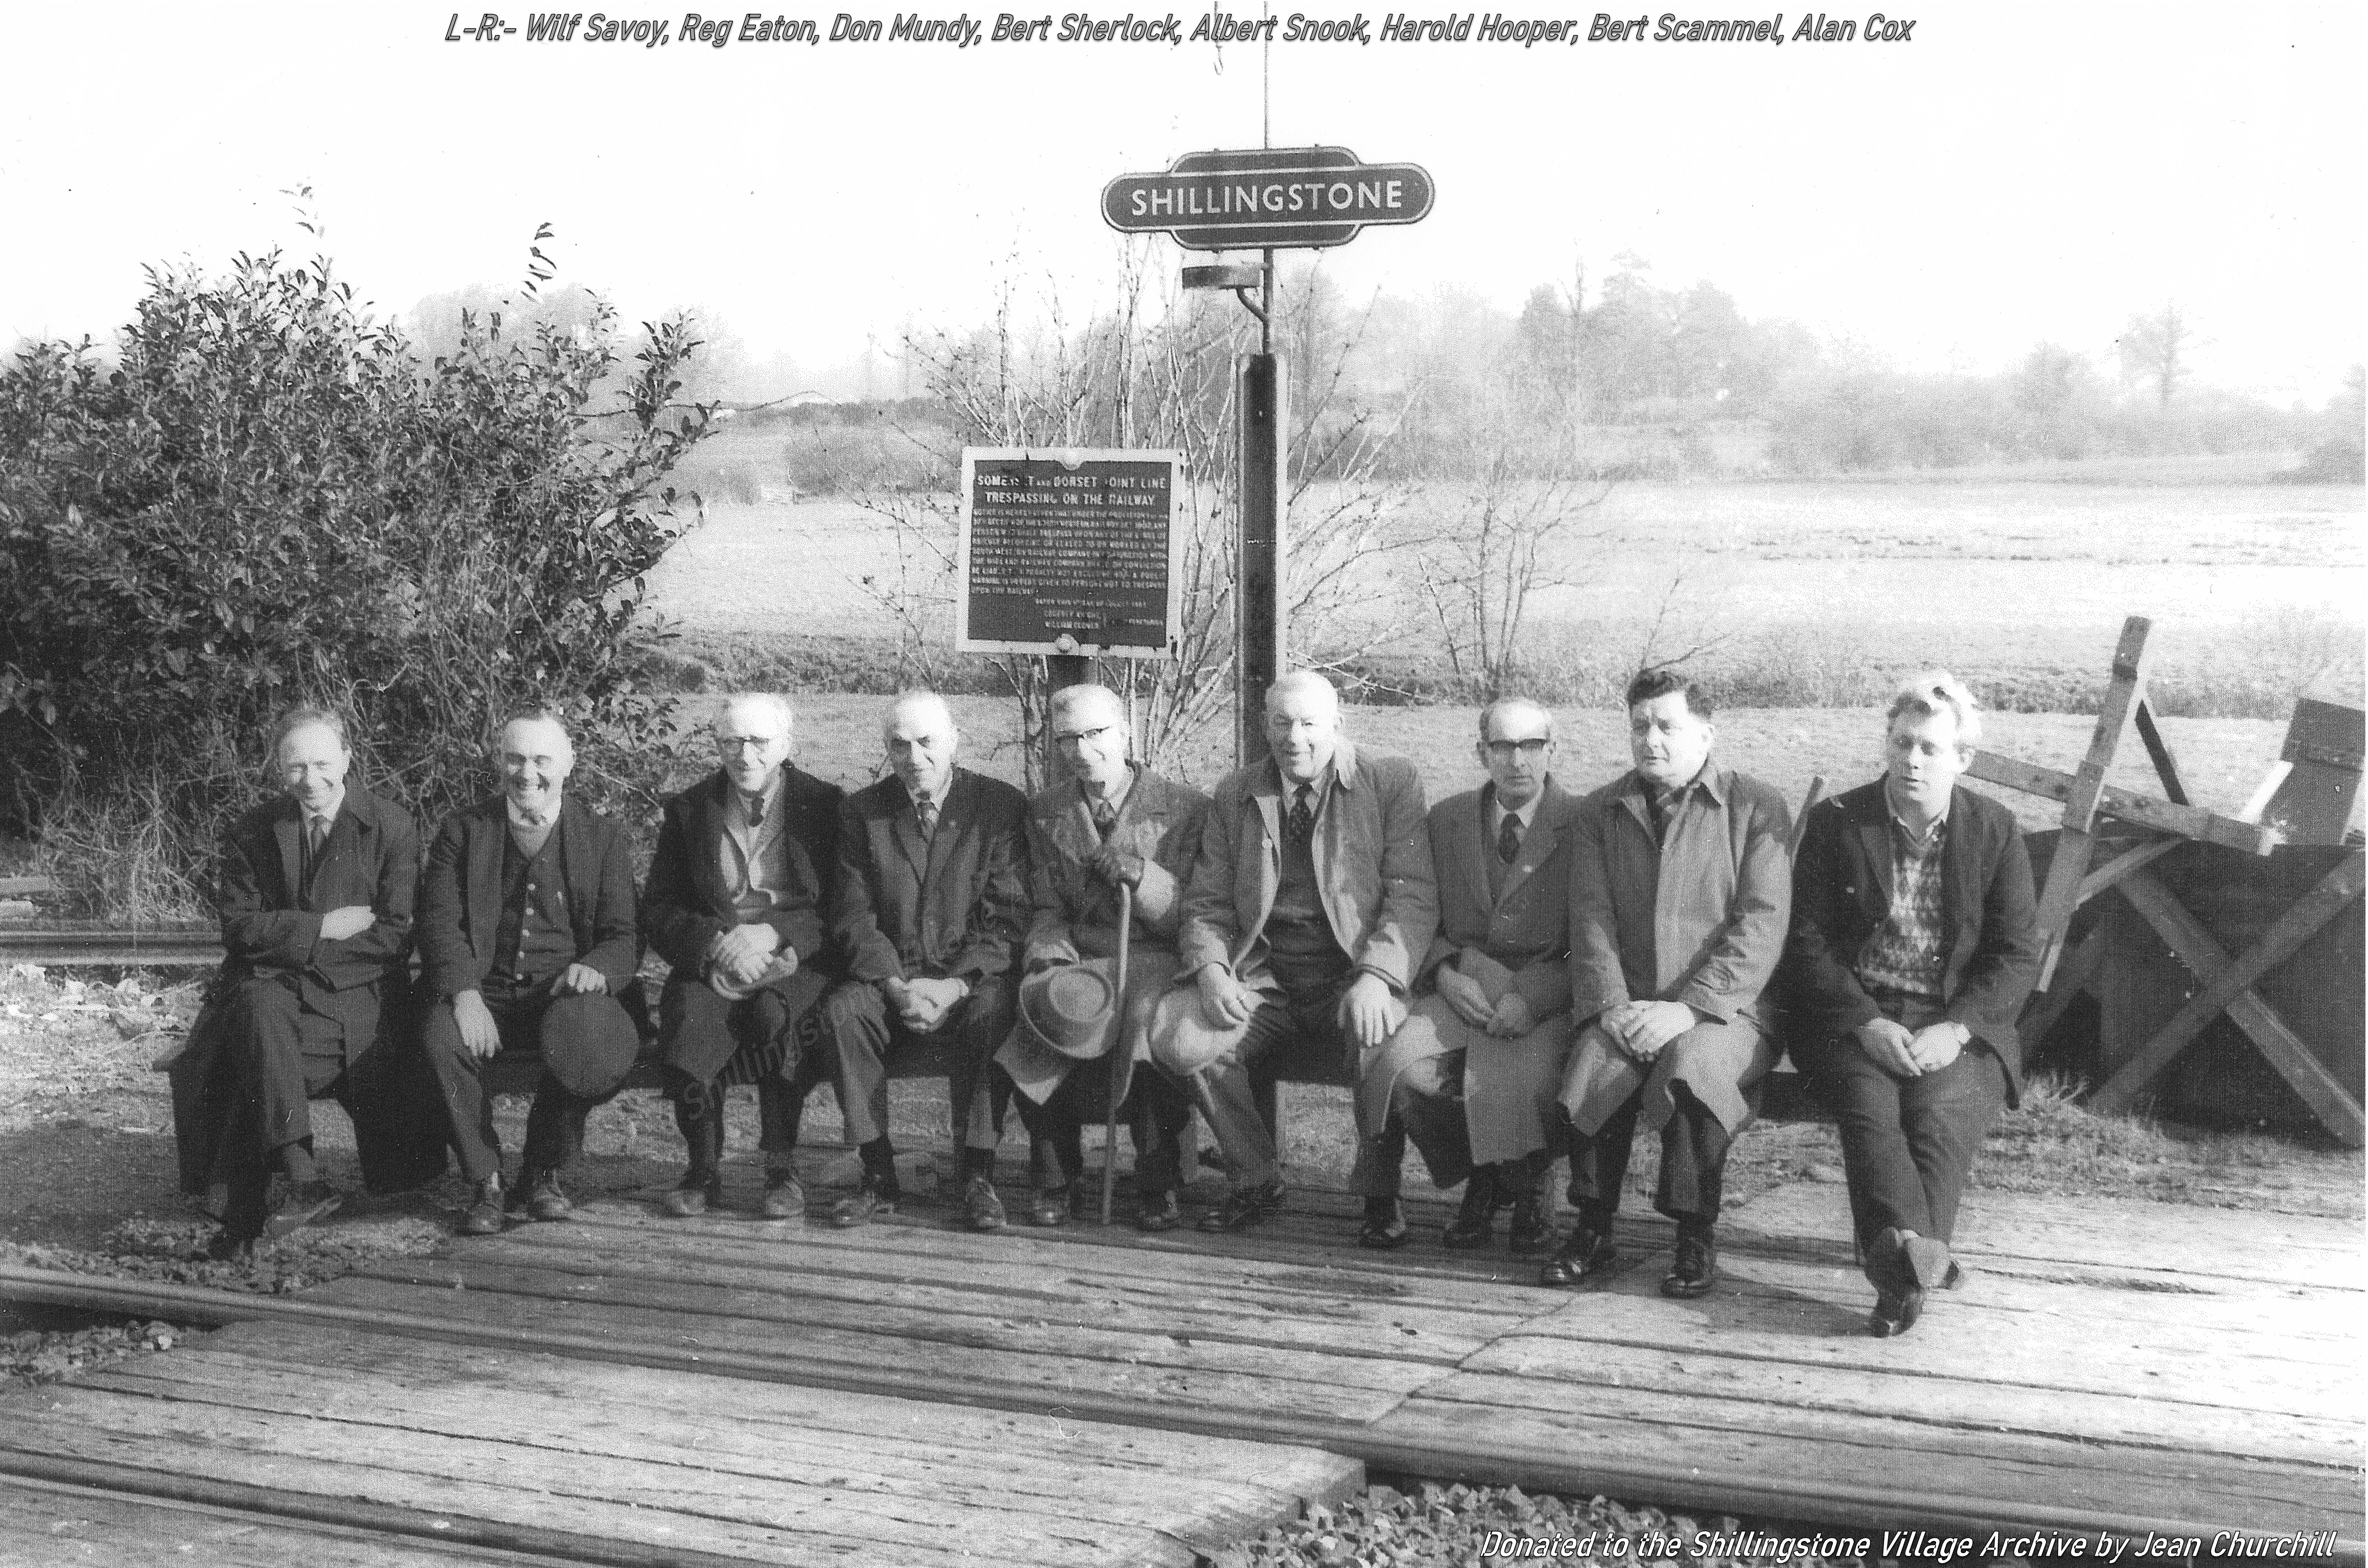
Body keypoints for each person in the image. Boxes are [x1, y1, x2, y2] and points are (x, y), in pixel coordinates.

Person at [1784, 672, 2041, 1337]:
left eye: (1929, 747)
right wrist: (1865, 1021)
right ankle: (1922, 1262)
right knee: (1870, 1108)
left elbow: (2015, 956)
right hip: (1852, 1017)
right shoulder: (1838, 822)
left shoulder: (1995, 830)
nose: (1911, 761)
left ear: (1963, 759)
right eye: (1901, 743)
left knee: (1936, 1111)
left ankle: (1900, 1274)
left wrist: (1957, 1029)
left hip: (1954, 1021)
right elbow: (1806, 942)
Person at [1149, 670, 1437, 1238]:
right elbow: (1206, 902)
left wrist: (1379, 974)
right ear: (1263, 726)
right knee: (1187, 1041)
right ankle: (1254, 1177)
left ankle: (1381, 1193)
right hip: (1265, 977)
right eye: (1281, 723)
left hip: (1352, 972)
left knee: (1375, 1031)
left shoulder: (1389, 780)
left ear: (1337, 724)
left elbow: (1413, 894)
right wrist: (1210, 970)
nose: (1294, 738)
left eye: (1309, 724)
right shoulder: (1236, 793)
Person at [1542, 668, 1792, 1298]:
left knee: (1692, 1068)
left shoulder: (1755, 807)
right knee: (1597, 1061)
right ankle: (1593, 1228)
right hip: (1627, 1005)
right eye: (1639, 726)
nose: (1650, 740)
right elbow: (1590, 917)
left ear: (1705, 733)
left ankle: (1693, 1235)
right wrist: (1612, 1008)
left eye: (1666, 726)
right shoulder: (1601, 811)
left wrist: (1688, 1010)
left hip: (1728, 1012)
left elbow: (1760, 925)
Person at [183, 706, 423, 1259]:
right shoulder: (254, 829)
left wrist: (291, 951)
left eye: (321, 764)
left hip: (353, 999)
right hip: (276, 995)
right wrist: (323, 927)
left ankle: (244, 1212)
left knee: (251, 1043)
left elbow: (394, 936)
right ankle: (300, 1174)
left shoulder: (391, 826)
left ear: (347, 759)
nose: (310, 780)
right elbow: (238, 927)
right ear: (277, 769)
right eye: (295, 767)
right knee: (256, 1009)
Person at [1360, 697, 1578, 1253]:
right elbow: (1417, 910)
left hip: (1545, 995)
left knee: (1530, 1079)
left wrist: (1534, 996)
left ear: (1553, 750)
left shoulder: (1581, 826)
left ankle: (1525, 1183)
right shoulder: (1447, 821)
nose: (1517, 760)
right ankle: (1490, 1174)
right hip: (1461, 988)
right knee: (1400, 1069)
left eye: (1532, 745)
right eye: (1502, 746)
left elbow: (1595, 941)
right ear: (1480, 752)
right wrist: (1444, 973)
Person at [417, 708, 643, 1235]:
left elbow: (624, 935)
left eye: (542, 760)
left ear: (568, 765)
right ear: (499, 762)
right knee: (437, 1036)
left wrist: (596, 968)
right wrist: (465, 995)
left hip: (563, 994)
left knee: (593, 1040)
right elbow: (439, 924)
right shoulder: (463, 831)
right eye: (514, 759)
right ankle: (486, 1180)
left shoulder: (602, 837)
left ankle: (545, 1173)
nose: (527, 774)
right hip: (484, 990)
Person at [996, 684, 1204, 1231]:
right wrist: (1048, 960)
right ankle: (1056, 1176)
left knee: (1146, 1020)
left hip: (1155, 955)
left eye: (1096, 735)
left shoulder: (1186, 809)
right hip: (1082, 955)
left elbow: (1200, 912)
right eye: (1067, 740)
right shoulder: (1046, 812)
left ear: (1125, 732)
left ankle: (1158, 1181)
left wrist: (1145, 876)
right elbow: (1045, 906)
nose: (1083, 751)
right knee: (1041, 1011)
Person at [822, 690, 1029, 1230]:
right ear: (887, 751)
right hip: (892, 979)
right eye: (899, 744)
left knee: (996, 1012)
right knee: (845, 1013)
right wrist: (896, 986)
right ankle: (877, 1172)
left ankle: (977, 1174)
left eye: (927, 742)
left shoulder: (999, 807)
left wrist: (951, 988)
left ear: (955, 741)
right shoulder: (860, 813)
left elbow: (1005, 916)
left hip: (967, 982)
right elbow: (853, 917)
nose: (914, 757)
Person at [642, 693, 844, 1219]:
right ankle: (702, 1171)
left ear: (786, 745)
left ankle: (781, 1169)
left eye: (758, 742)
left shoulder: (826, 806)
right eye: (730, 741)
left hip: (794, 958)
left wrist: (775, 934)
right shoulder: (690, 810)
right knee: (689, 1017)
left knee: (775, 1017)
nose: (744, 755)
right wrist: (713, 944)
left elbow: (843, 905)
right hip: (715, 956)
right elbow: (660, 907)